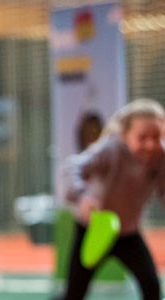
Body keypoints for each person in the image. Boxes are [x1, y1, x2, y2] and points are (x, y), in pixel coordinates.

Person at [55, 99, 165, 300]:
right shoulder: (110, 149)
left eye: (157, 136)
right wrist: (83, 196)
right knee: (74, 294)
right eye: (142, 137)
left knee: (151, 287)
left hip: (128, 234)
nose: (150, 144)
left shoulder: (160, 158)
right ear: (125, 136)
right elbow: (72, 168)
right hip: (94, 230)